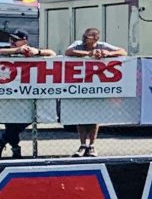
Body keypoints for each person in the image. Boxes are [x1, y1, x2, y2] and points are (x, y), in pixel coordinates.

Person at [64, 26, 126, 157]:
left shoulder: (103, 46)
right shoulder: (78, 45)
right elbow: (68, 52)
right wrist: (89, 54)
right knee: (80, 117)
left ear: (96, 39)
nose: (84, 39)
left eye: (88, 37)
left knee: (94, 117)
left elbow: (123, 52)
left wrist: (108, 54)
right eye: (84, 36)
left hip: (96, 86)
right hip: (80, 86)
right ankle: (82, 145)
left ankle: (92, 145)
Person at [2, 30, 54, 158]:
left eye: (16, 40)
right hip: (9, 97)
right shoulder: (7, 51)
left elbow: (52, 54)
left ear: (25, 41)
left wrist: (38, 52)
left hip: (27, 97)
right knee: (10, 125)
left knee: (17, 125)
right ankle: (15, 149)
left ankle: (4, 143)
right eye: (11, 39)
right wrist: (16, 50)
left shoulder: (31, 51)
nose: (12, 42)